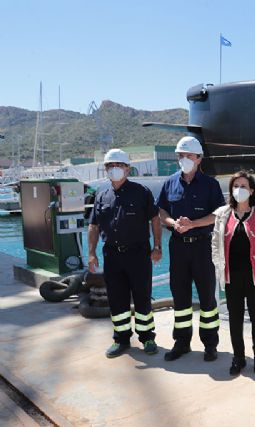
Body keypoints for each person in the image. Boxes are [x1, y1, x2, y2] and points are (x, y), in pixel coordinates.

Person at [88, 149, 162, 358]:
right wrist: (92, 253)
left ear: (128, 168)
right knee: (117, 299)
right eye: (110, 166)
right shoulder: (102, 195)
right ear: (106, 170)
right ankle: (121, 339)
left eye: (119, 166)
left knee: (142, 297)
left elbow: (155, 219)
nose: (114, 170)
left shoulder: (141, 192)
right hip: (112, 255)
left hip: (138, 254)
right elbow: (93, 225)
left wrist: (157, 246)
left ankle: (147, 337)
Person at [157, 136, 225, 362]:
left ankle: (210, 344)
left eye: (188, 155)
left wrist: (194, 224)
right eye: (181, 155)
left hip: (202, 247)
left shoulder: (210, 185)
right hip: (178, 248)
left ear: (199, 158)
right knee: (180, 297)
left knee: (207, 299)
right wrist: (173, 224)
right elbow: (162, 212)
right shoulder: (169, 183)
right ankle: (182, 342)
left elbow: (218, 214)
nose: (184, 159)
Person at [211, 171, 255, 376]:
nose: (239, 189)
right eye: (236, 185)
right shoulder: (222, 214)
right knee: (235, 319)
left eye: (244, 186)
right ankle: (238, 357)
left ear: (252, 190)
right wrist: (218, 264)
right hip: (232, 277)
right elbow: (215, 242)